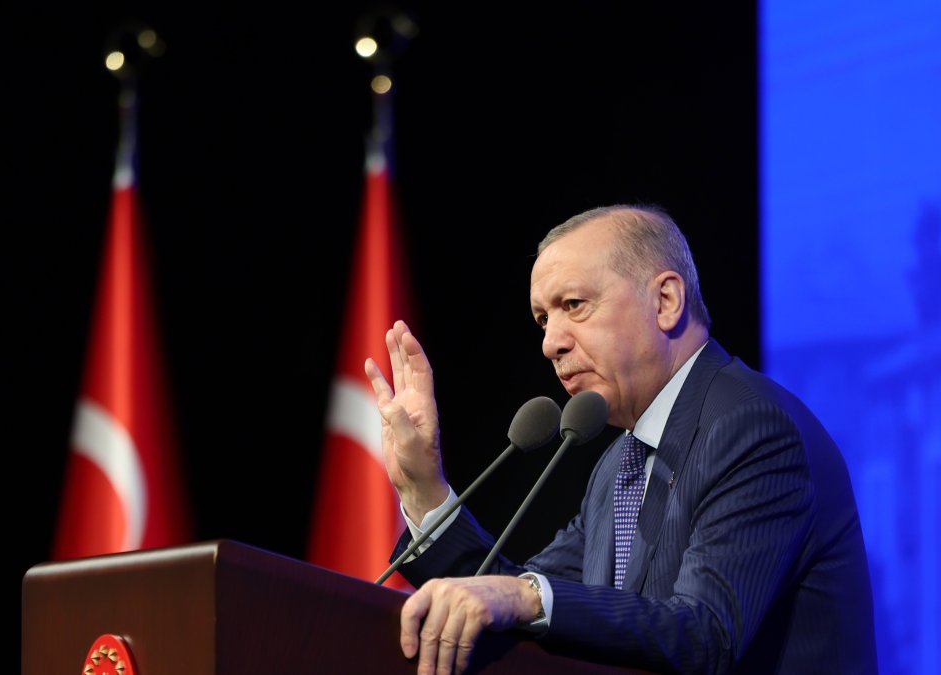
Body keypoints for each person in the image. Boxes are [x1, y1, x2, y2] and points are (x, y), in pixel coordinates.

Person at [364, 204, 877, 674]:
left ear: (667, 301)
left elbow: (707, 634)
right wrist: (423, 488)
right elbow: (514, 594)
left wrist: (527, 598)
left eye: (574, 304)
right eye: (543, 318)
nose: (550, 343)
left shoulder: (752, 426)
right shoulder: (620, 465)